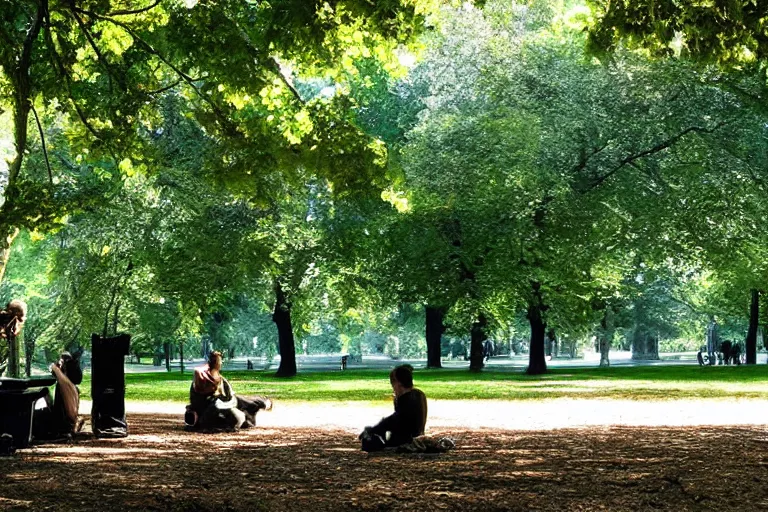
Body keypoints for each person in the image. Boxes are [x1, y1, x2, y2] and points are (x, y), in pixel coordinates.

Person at [184, 351, 272, 431]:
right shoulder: (204, 378)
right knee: (242, 403)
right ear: (216, 363)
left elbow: (226, 396)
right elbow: (226, 399)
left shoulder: (206, 377)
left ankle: (263, 402)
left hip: (216, 406)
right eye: (219, 361)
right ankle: (263, 402)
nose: (221, 363)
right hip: (214, 407)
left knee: (242, 402)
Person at [359, 364, 428, 452]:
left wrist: (374, 429)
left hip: (406, 439)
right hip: (411, 435)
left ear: (398, 383)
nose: (393, 388)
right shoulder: (418, 394)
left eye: (393, 384)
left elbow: (395, 420)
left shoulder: (408, 398)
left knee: (369, 442)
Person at [33, 352, 83, 441]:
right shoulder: (72, 387)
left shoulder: (63, 385)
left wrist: (56, 368)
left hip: (63, 424)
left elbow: (54, 370)